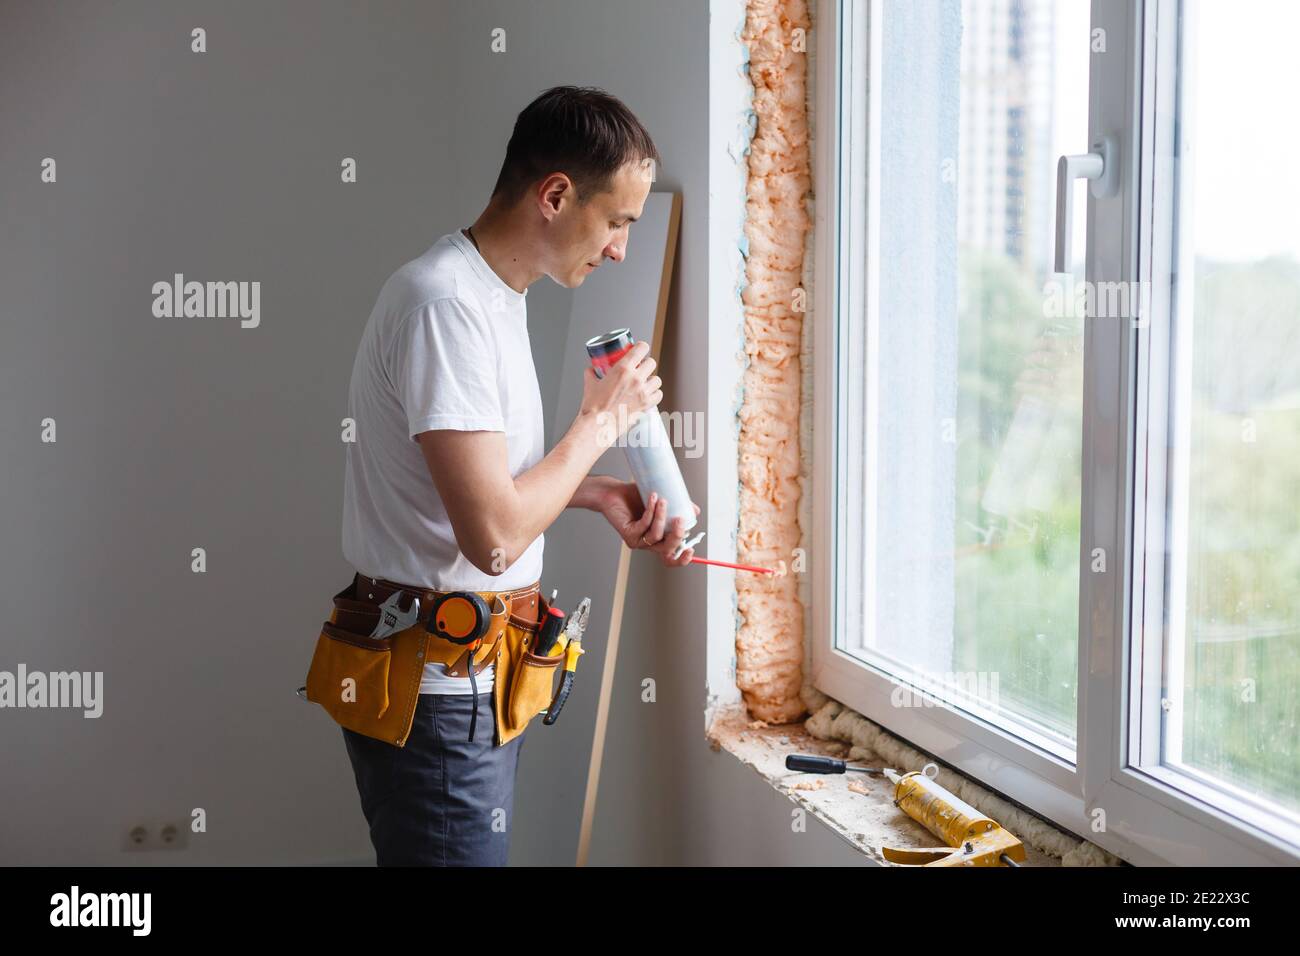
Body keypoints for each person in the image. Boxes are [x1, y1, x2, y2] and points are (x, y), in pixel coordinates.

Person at [337, 85, 697, 866]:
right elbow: (494, 538)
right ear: (556, 195)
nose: (620, 250)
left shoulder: (490, 296)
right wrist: (600, 422)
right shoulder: (446, 307)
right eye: (616, 222)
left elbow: (478, 490)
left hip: (469, 686)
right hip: (438, 700)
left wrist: (596, 491)